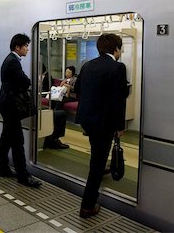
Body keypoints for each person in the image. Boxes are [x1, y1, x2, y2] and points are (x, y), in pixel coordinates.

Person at [75, 33, 129, 218]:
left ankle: (101, 164)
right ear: (116, 49)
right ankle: (87, 206)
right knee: (97, 162)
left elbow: (77, 89)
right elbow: (118, 100)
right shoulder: (118, 67)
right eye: (120, 49)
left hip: (87, 119)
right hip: (104, 122)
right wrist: (120, 125)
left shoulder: (88, 65)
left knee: (97, 152)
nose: (120, 52)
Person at [0, 33, 42, 188]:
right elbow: (25, 80)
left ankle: (2, 168)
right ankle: (23, 176)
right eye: (26, 46)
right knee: (17, 141)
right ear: (18, 47)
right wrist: (28, 81)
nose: (28, 49)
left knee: (6, 138)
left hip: (6, 105)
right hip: (11, 106)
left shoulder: (10, 60)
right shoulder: (13, 62)